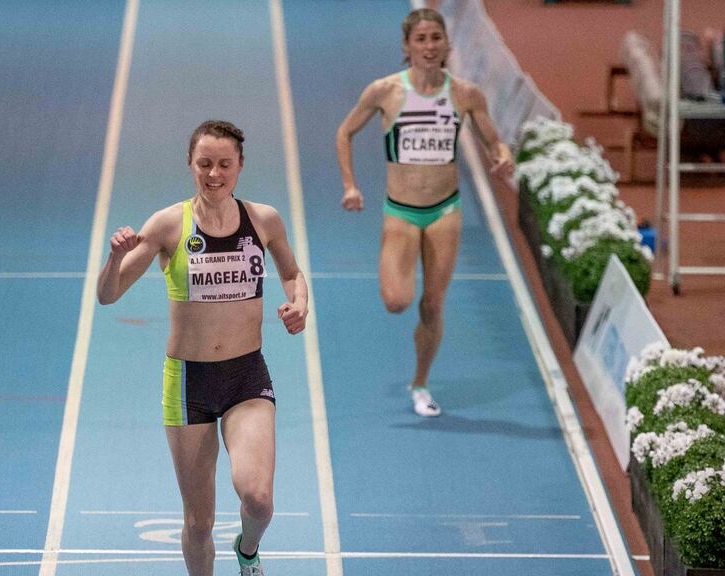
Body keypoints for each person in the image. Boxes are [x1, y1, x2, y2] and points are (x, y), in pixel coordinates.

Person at [97, 119, 308, 576]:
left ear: (240, 166)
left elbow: (292, 273)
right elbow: (108, 294)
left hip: (245, 377)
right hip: (188, 383)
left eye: (224, 164)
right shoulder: (169, 225)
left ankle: (247, 550)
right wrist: (114, 257)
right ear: (191, 165)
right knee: (198, 522)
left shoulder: (263, 219)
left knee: (258, 499)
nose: (215, 174)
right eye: (205, 164)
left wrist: (300, 304)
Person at [335, 8, 512, 417]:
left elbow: (496, 144)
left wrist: (503, 159)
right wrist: (350, 184)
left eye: (436, 38)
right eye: (421, 39)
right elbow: (345, 132)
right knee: (397, 300)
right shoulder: (385, 92)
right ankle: (416, 369)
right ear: (407, 47)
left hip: (444, 211)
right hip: (400, 211)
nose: (429, 47)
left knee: (432, 304)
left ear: (447, 44)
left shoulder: (466, 94)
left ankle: (420, 383)